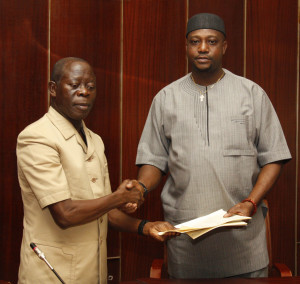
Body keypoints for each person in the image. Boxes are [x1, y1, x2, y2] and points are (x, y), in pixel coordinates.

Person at [131, 13, 292, 278]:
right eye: (195, 41)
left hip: (244, 247)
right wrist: (140, 188)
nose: (203, 48)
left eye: (212, 41)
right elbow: (153, 160)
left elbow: (274, 157)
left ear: (224, 46)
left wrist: (252, 201)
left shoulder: (251, 94)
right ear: (186, 47)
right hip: (185, 247)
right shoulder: (165, 99)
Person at [17, 57, 177, 284]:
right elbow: (65, 213)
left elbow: (104, 210)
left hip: (93, 273)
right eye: (74, 85)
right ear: (53, 89)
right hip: (51, 273)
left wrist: (146, 227)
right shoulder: (37, 137)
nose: (84, 92)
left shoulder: (95, 140)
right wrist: (119, 197)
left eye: (90, 87)